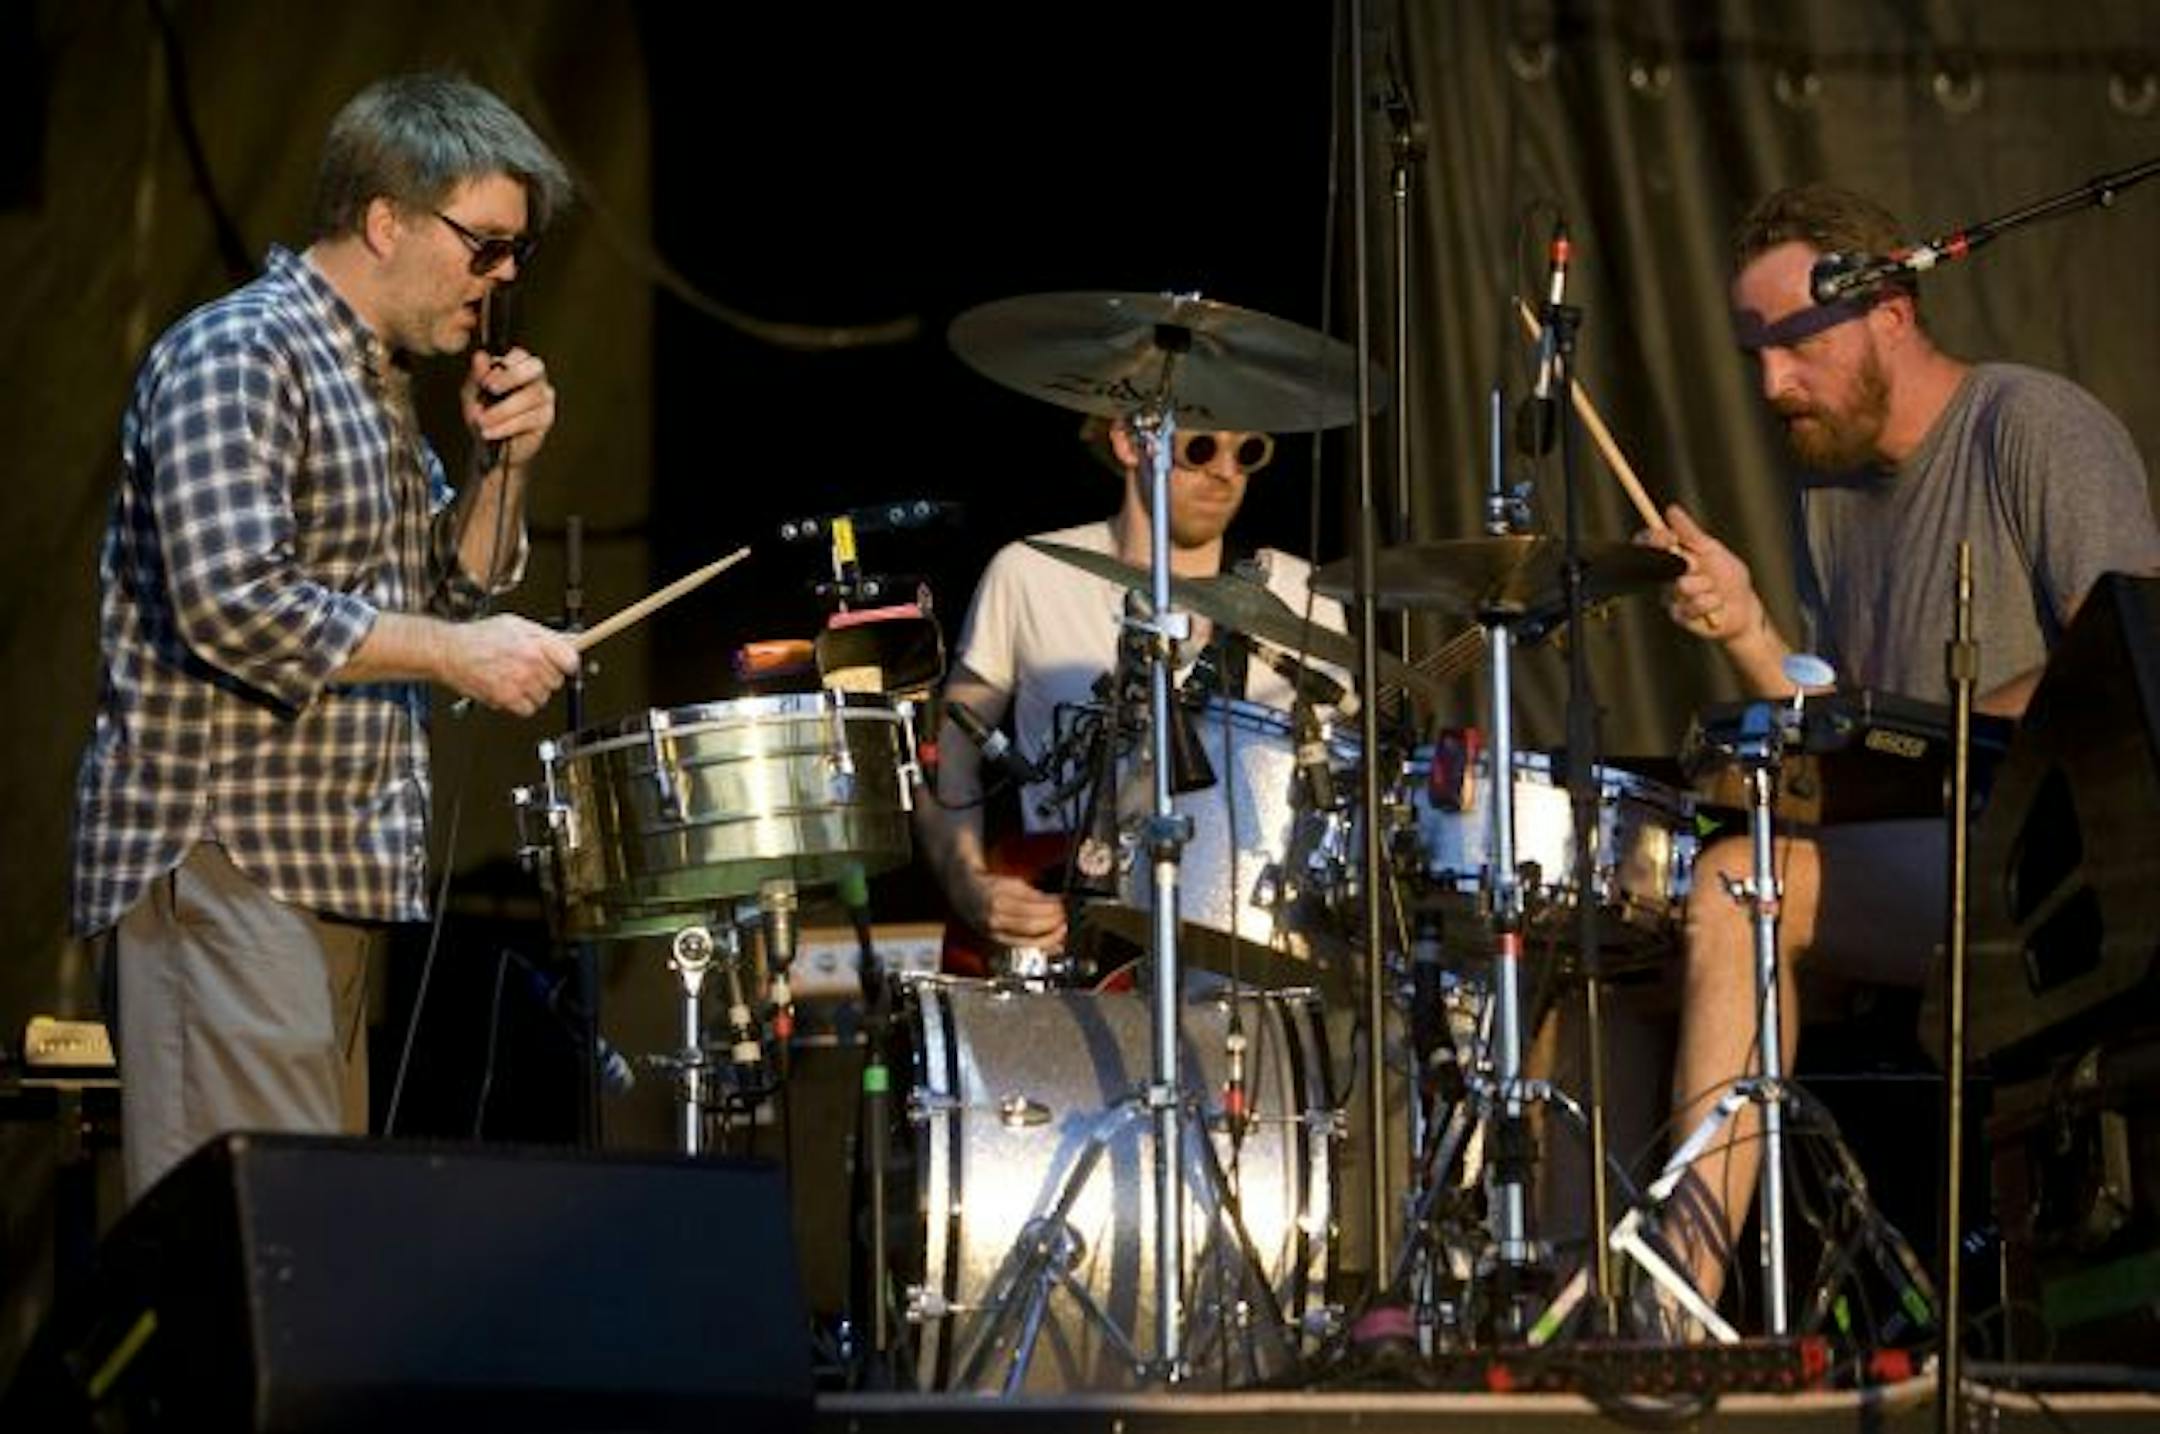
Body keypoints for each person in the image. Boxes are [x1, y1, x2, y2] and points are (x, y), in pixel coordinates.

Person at [1637, 182, 2160, 1310]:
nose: (1773, 384)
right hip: (1918, 860)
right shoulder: (1827, 492)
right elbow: (1849, 731)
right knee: (1632, 920)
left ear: (1891, 309)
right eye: (1754, 353)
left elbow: (2118, 675)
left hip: (2046, 873)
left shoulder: (2032, 425)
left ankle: (1672, 1305)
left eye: (1793, 343)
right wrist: (1749, 631)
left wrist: (1931, 741)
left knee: (1739, 886)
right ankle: (1602, 1279)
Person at [71, 73, 583, 1201]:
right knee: (257, 1252)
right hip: (225, 864)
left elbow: (449, 592)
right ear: (386, 217)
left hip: (330, 876)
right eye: (485, 247)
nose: (501, 282)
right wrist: (460, 655)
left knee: (311, 1243)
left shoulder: (378, 390)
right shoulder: (242, 356)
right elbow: (232, 602)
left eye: (517, 258)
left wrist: (507, 466)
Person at [914, 418, 1348, 966]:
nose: (1225, 470)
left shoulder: (1302, 598)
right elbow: (945, 757)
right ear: (1127, 441)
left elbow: (1342, 796)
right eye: (1201, 447)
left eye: (1248, 452)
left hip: (1247, 938)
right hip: (1069, 935)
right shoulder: (1030, 573)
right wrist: (967, 882)